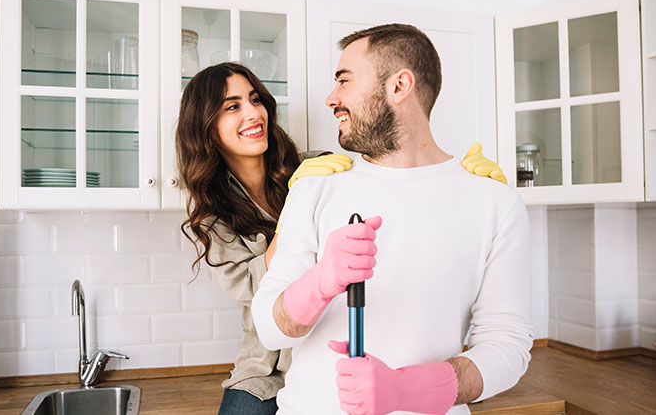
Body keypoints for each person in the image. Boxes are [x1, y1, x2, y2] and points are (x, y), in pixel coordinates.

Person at [176, 62, 507, 415]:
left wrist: (463, 184)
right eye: (233, 106)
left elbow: (392, 196)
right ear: (208, 127)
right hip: (265, 369)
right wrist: (294, 207)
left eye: (255, 100)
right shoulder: (213, 215)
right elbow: (253, 289)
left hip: (333, 352)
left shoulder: (318, 168)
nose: (253, 113)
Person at [252, 24, 533, 415]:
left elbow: (507, 347)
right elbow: (270, 328)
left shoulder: (494, 201)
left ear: (400, 86)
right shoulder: (315, 187)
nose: (331, 99)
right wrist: (319, 282)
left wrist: (406, 389)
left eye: (344, 81)